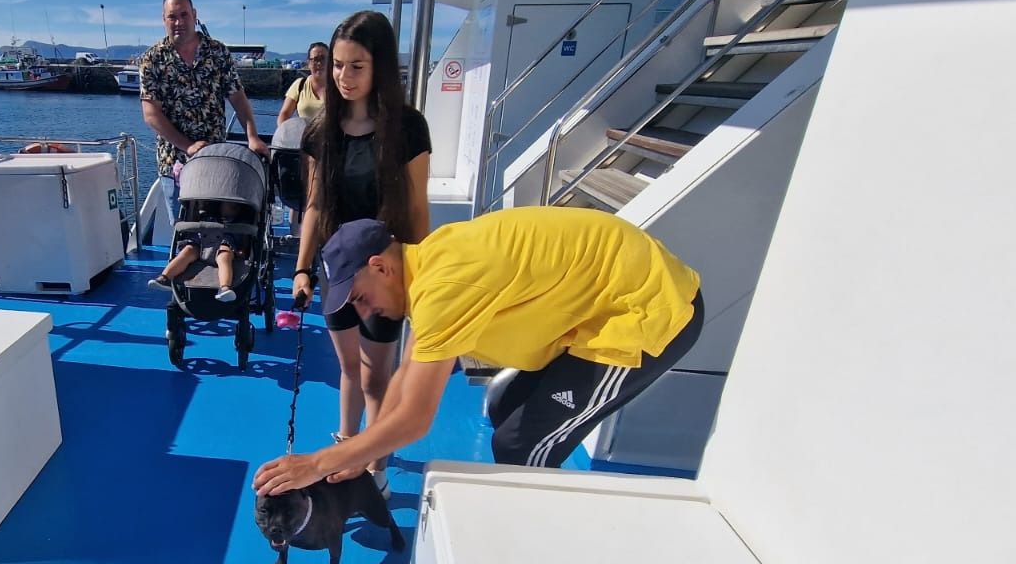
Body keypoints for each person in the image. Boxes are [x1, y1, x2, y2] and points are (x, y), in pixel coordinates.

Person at [253, 208, 704, 496]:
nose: (363, 310)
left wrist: (319, 462)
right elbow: (406, 373)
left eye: (359, 296)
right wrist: (364, 459)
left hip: (646, 310)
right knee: (506, 405)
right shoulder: (429, 262)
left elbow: (414, 419)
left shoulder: (444, 289)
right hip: (597, 309)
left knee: (521, 445)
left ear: (381, 267)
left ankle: (542, 558)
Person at [292, 10, 431, 498]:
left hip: (385, 273)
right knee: (348, 370)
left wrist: (418, 273)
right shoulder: (318, 132)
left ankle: (374, 468)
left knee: (378, 376)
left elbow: (417, 206)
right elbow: (314, 204)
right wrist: (303, 267)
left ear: (381, 69)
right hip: (336, 270)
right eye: (337, 66)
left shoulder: (409, 129)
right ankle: (344, 450)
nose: (344, 78)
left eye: (357, 67)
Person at [140, 0, 268, 222]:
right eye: (172, 16)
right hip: (173, 162)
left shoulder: (218, 52)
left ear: (194, 14)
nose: (178, 22)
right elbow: (151, 114)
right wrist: (187, 145)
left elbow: (237, 98)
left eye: (184, 14)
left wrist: (252, 136)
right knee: (183, 232)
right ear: (163, 20)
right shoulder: (152, 59)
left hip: (214, 159)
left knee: (215, 229)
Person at [148, 199, 244, 302]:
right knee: (187, 251)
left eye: (234, 206)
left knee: (224, 257)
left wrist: (243, 249)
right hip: (201, 242)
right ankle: (165, 277)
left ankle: (225, 287)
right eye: (229, 204)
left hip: (225, 243)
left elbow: (246, 236)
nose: (233, 207)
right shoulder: (207, 215)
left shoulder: (240, 220)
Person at [276, 41, 328, 123]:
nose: (319, 63)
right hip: (304, 135)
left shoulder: (338, 86)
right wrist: (285, 133)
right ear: (309, 63)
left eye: (323, 59)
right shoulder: (300, 85)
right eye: (315, 59)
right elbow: (284, 114)